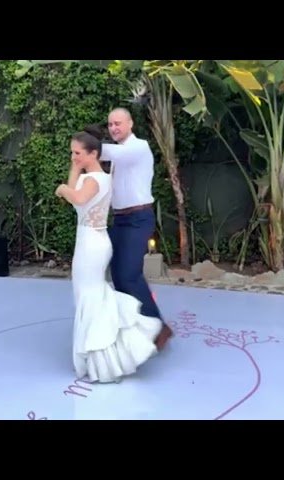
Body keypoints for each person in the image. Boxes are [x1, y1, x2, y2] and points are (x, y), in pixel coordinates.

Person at [54, 126, 163, 384]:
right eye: (72, 153)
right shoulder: (92, 177)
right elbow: (75, 192)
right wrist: (73, 171)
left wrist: (62, 189)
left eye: (78, 153)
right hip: (88, 241)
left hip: (93, 244)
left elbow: (77, 198)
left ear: (94, 153)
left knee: (91, 297)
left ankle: (104, 357)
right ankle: (96, 356)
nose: (74, 157)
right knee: (86, 295)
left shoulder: (95, 180)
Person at [100, 108, 172, 351]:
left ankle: (158, 327)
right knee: (119, 276)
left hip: (138, 217)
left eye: (118, 123)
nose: (113, 128)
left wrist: (87, 144)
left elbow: (108, 152)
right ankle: (134, 325)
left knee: (130, 274)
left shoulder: (137, 147)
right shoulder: (119, 155)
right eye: (110, 125)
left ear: (130, 124)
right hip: (120, 219)